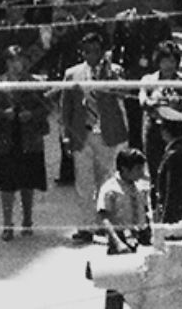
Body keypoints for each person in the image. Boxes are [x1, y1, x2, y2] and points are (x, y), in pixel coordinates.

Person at [60, 32, 130, 243]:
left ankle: (105, 224)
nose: (92, 55)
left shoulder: (114, 71)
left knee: (106, 181)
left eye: (96, 51)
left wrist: (107, 72)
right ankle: (86, 226)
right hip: (83, 134)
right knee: (84, 182)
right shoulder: (72, 74)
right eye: (87, 51)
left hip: (107, 134)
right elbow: (65, 108)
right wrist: (65, 135)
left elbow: (122, 93)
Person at [0, 45, 51, 240]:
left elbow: (47, 106)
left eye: (19, 60)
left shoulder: (35, 82)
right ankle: (7, 223)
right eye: (11, 61)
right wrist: (2, 114)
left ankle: (27, 220)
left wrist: (33, 114)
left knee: (28, 182)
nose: (15, 65)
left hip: (29, 137)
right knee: (7, 184)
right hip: (5, 137)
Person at [95, 148, 152, 309]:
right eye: (138, 169)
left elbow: (145, 211)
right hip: (118, 239)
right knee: (116, 285)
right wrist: (118, 242)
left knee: (136, 284)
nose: (142, 172)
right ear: (125, 169)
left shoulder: (140, 187)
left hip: (136, 238)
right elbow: (104, 218)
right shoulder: (110, 189)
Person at [152, 106, 182, 222]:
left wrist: (165, 221)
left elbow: (172, 191)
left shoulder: (175, 155)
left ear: (166, 131)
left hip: (174, 215)